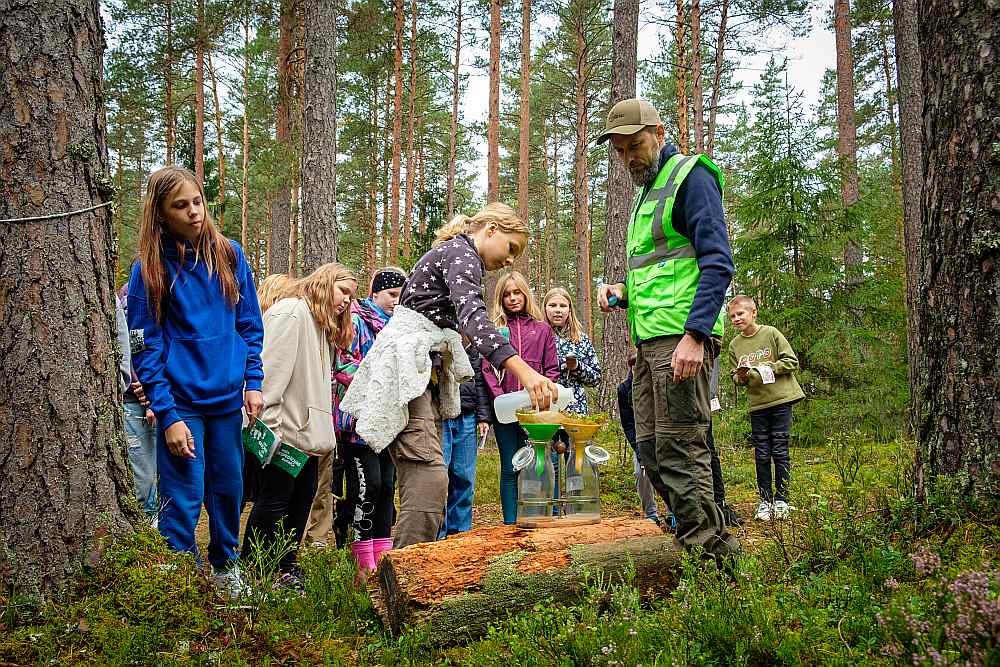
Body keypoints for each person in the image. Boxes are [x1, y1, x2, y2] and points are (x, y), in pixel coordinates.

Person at [341, 203, 560, 548]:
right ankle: (406, 575)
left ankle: (413, 567)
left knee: (430, 476)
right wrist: (527, 374)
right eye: (511, 248)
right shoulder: (461, 254)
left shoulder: (457, 254)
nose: (509, 260)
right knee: (428, 477)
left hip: (420, 375)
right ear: (491, 230)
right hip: (406, 372)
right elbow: (475, 319)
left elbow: (459, 325)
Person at [596, 98, 740, 563]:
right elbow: (662, 271)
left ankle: (711, 560)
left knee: (682, 447)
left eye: (634, 145)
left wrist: (696, 336)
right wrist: (624, 292)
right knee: (651, 447)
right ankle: (699, 542)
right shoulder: (647, 190)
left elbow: (717, 262)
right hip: (649, 344)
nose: (627, 158)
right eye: (619, 151)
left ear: (658, 133)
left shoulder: (690, 177)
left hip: (682, 341)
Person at [127, 165, 264, 598]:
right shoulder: (148, 271)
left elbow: (249, 324)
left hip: (226, 400)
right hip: (181, 403)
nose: (193, 213)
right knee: (182, 498)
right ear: (161, 214)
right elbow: (144, 348)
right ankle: (183, 585)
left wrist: (253, 380)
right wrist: (166, 415)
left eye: (197, 202)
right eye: (180, 206)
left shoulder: (228, 255)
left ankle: (226, 570)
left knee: (228, 491)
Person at [243, 263, 357, 589]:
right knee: (275, 501)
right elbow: (269, 375)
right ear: (323, 283)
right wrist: (270, 432)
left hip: (307, 438)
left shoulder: (320, 325)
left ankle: (284, 567)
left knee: (301, 501)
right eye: (343, 291)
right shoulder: (291, 312)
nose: (347, 301)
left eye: (352, 295)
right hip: (283, 435)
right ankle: (255, 569)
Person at [331, 267, 407, 574]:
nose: (395, 302)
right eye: (391, 295)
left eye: (401, 297)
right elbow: (343, 365)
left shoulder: (398, 327)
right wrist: (379, 376)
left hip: (388, 425)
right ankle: (361, 562)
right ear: (375, 293)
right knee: (368, 487)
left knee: (387, 487)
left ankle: (382, 556)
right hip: (358, 425)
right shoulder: (357, 321)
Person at [483, 271, 560, 525]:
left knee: (540, 464)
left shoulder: (543, 329)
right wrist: (502, 399)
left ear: (526, 294)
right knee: (509, 467)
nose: (513, 298)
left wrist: (542, 399)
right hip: (505, 410)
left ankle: (545, 518)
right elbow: (486, 369)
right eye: (507, 294)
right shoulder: (495, 330)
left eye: (517, 293)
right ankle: (510, 524)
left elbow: (552, 370)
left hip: (536, 410)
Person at [727, 294, 805, 522]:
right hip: (757, 405)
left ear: (753, 312)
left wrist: (765, 367)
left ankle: (782, 500)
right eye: (732, 316)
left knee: (780, 450)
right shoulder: (734, 345)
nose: (736, 319)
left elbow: (792, 361)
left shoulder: (770, 333)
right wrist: (741, 375)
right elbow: (736, 378)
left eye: (740, 313)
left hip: (781, 400)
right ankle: (765, 501)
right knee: (761, 454)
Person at [439, 336, 492, 537]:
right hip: (441, 414)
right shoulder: (438, 334)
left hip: (467, 415)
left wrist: (483, 417)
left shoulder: (473, 344)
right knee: (439, 476)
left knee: (464, 476)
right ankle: (437, 532)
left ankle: (459, 533)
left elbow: (480, 381)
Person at [617, 349, 673, 527]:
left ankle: (674, 512)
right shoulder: (624, 389)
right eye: (634, 367)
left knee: (670, 470)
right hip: (641, 439)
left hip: (664, 437)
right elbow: (628, 424)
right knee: (641, 472)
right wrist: (640, 451)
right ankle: (651, 513)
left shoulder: (660, 382)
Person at [118, 282, 158, 520]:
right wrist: (145, 395)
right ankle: (146, 536)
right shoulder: (130, 296)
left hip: (166, 403)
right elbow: (128, 348)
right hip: (136, 404)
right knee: (143, 483)